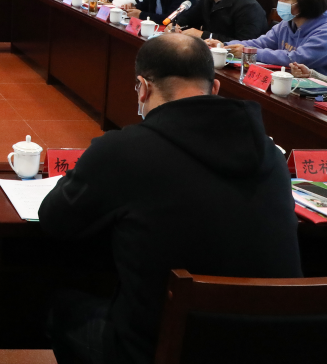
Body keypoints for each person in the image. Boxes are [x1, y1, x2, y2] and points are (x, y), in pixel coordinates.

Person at [39, 34, 301, 364]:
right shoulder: (271, 155)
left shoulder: (124, 150)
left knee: (60, 307)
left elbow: (55, 219)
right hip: (276, 348)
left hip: (166, 351)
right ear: (215, 87)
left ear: (143, 88)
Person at [215, 0, 327, 70]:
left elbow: (297, 58)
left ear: (305, 2)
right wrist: (225, 46)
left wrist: (250, 53)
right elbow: (261, 43)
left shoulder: (323, 31)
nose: (280, 2)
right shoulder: (287, 23)